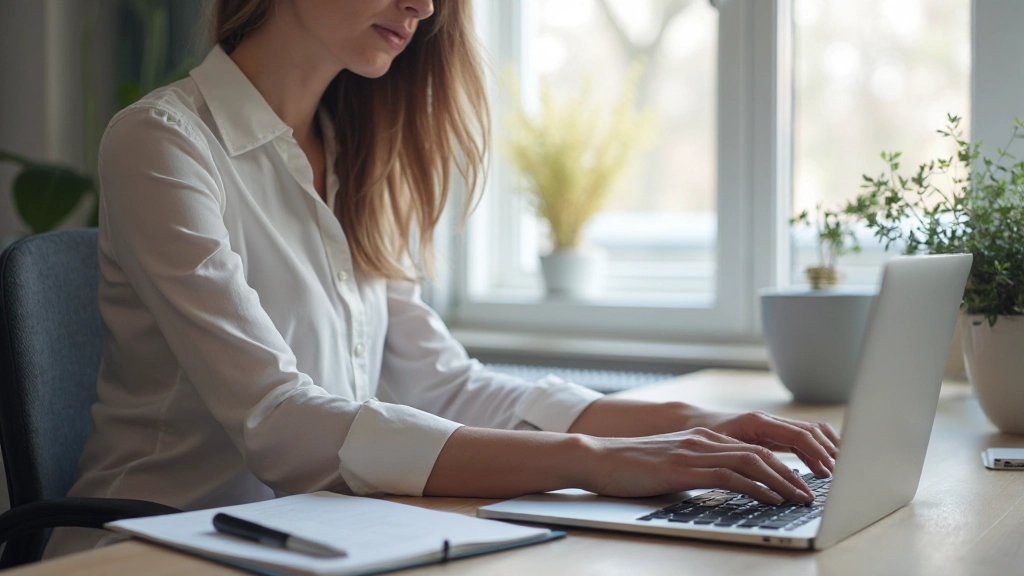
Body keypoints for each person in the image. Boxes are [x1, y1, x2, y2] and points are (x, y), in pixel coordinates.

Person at [45, 0, 839, 558]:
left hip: (316, 544)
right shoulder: (163, 143)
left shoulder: (357, 157)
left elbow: (442, 385)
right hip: (147, 546)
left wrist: (683, 421)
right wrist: (592, 459)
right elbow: (280, 423)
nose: (422, 5)